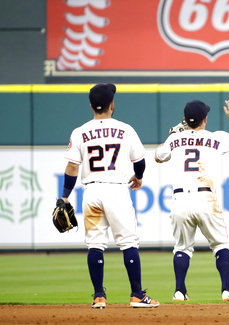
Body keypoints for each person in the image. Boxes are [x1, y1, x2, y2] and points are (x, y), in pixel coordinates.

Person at [58, 83, 159, 308]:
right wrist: (139, 177)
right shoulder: (125, 129)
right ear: (112, 105)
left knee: (95, 244)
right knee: (128, 242)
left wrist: (65, 196)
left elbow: (72, 168)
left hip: (91, 191)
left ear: (91, 106)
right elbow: (140, 161)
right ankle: (137, 295)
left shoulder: (80, 132)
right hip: (116, 190)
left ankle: (98, 296)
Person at [155, 99, 229, 302]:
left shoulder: (174, 140)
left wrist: (172, 136)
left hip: (180, 199)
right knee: (221, 244)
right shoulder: (216, 137)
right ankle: (226, 290)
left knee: (182, 248)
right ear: (205, 119)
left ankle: (179, 291)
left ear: (185, 120)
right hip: (205, 197)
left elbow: (157, 156)